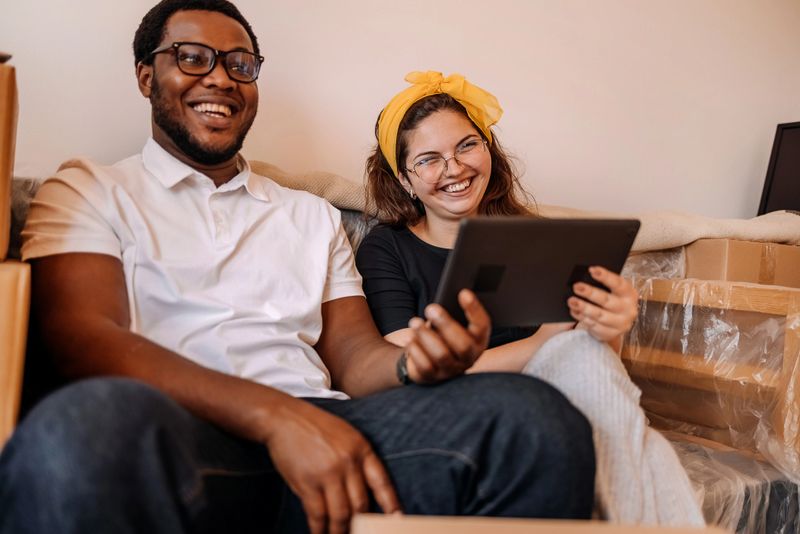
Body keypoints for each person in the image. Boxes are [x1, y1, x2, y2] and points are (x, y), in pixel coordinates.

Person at [0, 4, 597, 534]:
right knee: (77, 428)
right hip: (181, 439)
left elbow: (356, 361)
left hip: (330, 431)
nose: (220, 77)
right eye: (192, 57)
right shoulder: (90, 187)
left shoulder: (310, 216)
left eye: (240, 64)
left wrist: (415, 362)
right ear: (145, 76)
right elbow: (84, 342)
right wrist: (276, 418)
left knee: (531, 417)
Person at [356, 71, 705, 526]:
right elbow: (408, 366)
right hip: (455, 406)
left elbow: (594, 367)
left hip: (559, 394)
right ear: (405, 179)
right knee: (643, 442)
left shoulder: (533, 237)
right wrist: (543, 342)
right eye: (429, 159)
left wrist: (609, 327)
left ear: (488, 149)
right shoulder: (387, 248)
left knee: (590, 363)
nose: (455, 168)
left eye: (467, 145)